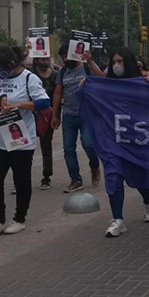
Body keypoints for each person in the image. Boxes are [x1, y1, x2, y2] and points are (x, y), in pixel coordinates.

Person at [0, 45, 50, 238]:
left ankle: (19, 219)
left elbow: (44, 101)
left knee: (21, 180)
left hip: (20, 140)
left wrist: (19, 105)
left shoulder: (29, 79)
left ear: (12, 64)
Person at [101, 47, 149, 238]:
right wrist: (87, 84)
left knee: (138, 178)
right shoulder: (107, 85)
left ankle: (148, 200)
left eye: (121, 62)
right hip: (113, 139)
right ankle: (117, 220)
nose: (117, 65)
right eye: (114, 62)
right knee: (113, 176)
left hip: (136, 139)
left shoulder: (141, 83)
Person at [52, 43, 103, 193]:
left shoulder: (86, 68)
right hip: (68, 115)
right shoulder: (62, 72)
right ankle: (76, 179)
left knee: (88, 144)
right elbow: (57, 93)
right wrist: (55, 114)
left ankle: (94, 166)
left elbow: (102, 77)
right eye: (62, 58)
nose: (64, 60)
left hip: (87, 114)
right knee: (68, 148)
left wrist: (90, 61)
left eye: (66, 56)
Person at [32, 57, 57, 190]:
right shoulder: (31, 75)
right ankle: (20, 178)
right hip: (31, 115)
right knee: (24, 147)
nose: (45, 61)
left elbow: (57, 96)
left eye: (46, 58)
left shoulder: (54, 75)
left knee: (46, 146)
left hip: (47, 116)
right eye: (41, 59)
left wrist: (55, 116)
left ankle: (46, 176)